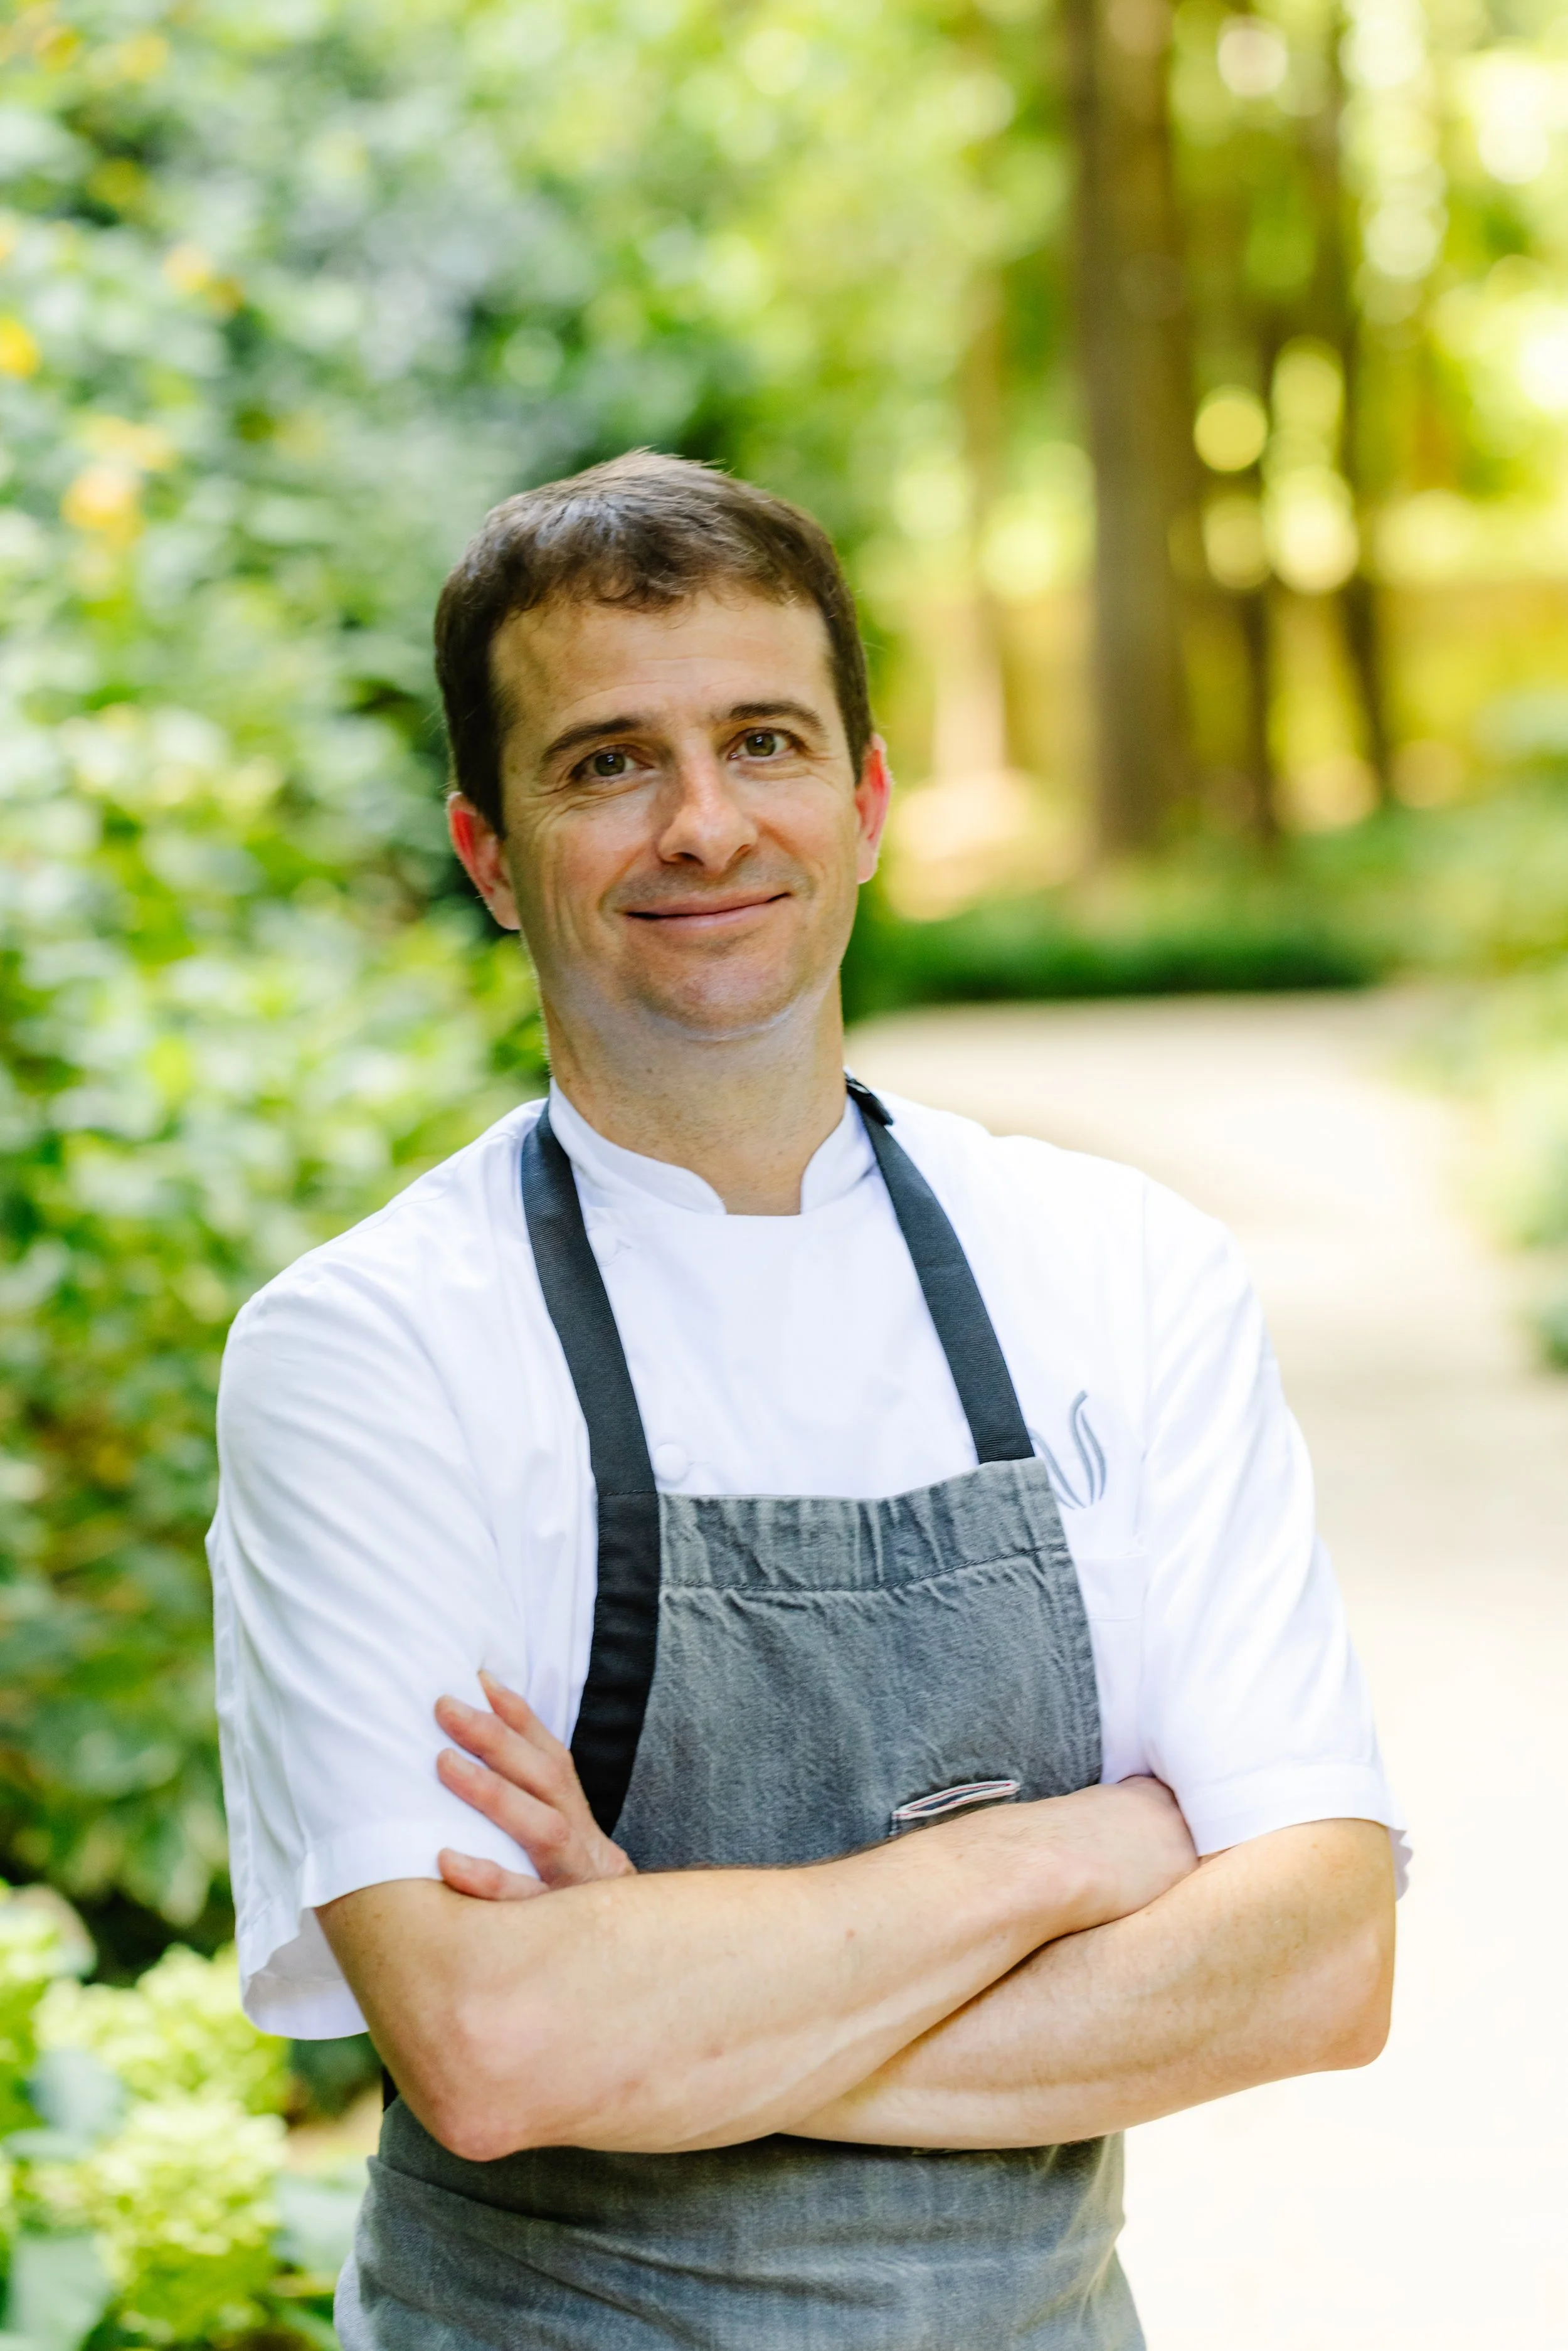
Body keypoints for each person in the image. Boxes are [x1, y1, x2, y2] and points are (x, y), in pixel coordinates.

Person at [208, 452, 1406, 2350]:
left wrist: (666, 1981)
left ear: (861, 804)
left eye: (762, 741)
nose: (702, 823)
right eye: (606, 761)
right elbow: (498, 2043)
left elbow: (1322, 1960)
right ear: (488, 856)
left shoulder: (1123, 1269)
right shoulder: (371, 1348)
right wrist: (1064, 1852)